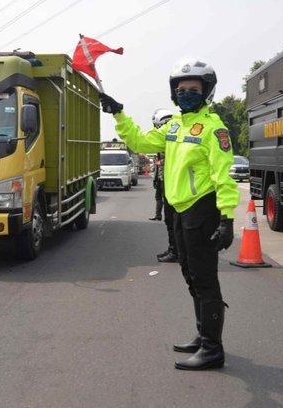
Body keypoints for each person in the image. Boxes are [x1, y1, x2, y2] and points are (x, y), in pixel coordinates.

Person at [100, 57, 240, 370]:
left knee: (205, 280)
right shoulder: (174, 125)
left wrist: (227, 218)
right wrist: (119, 113)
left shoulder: (214, 129)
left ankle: (212, 350)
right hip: (178, 210)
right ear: (173, 93)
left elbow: (223, 176)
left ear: (207, 92)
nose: (186, 93)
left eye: (193, 89)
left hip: (201, 209)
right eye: (181, 89)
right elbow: (138, 141)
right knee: (190, 275)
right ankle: (203, 334)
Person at [150, 108, 178, 263]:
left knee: (172, 220)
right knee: (171, 221)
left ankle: (176, 251)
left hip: (173, 186)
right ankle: (174, 249)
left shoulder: (171, 140)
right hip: (166, 183)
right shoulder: (167, 140)